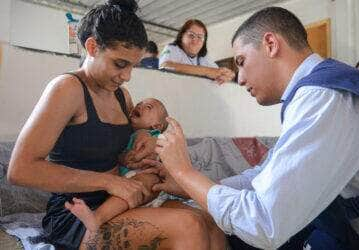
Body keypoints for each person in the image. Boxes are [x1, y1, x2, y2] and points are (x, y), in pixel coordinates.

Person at [7, 1, 224, 249]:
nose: (127, 76)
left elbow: (120, 150)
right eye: (120, 64)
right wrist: (109, 182)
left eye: (133, 65)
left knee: (208, 219)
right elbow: (20, 170)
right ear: (92, 47)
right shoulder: (67, 89)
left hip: (119, 198)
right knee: (188, 225)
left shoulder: (123, 96)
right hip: (77, 213)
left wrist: (139, 151)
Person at [150, 6, 359, 250]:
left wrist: (184, 173)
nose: (240, 78)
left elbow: (264, 224)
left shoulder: (324, 98)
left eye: (241, 62)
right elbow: (263, 176)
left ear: (270, 44)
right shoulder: (313, 92)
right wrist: (192, 186)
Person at [65, 98, 168, 233]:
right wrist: (123, 158)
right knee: (124, 192)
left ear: (157, 126)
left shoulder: (156, 136)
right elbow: (118, 156)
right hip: (126, 191)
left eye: (148, 107)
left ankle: (97, 218)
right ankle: (97, 217)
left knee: (147, 181)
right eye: (140, 103)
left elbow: (163, 156)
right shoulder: (124, 134)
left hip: (149, 187)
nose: (139, 105)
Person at [159, 19, 235, 84]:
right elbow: (165, 66)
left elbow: (217, 73)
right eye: (191, 35)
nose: (195, 40)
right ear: (182, 36)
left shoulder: (203, 57)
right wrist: (206, 71)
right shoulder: (173, 48)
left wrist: (227, 75)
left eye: (200, 37)